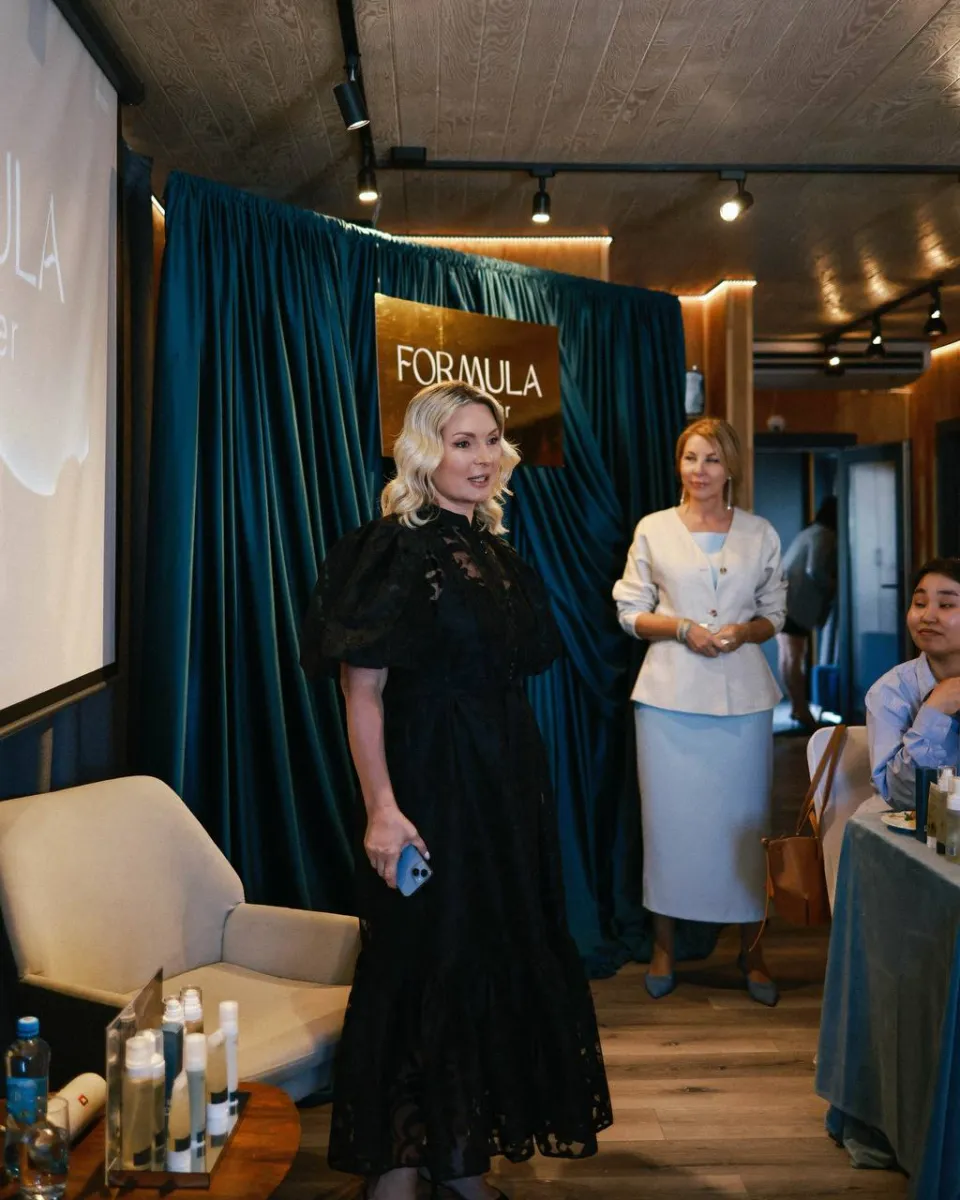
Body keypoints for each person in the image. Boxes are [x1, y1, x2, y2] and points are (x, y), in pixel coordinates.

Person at [300, 381, 612, 1200]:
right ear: (422, 452)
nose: (481, 458)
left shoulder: (496, 551)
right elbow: (361, 692)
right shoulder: (391, 548)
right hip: (427, 784)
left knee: (484, 959)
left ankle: (458, 1161)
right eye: (461, 442)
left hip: (503, 787)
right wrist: (382, 809)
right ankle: (399, 1170)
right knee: (420, 964)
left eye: (490, 440)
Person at [612, 418, 787, 1006]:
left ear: (730, 466)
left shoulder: (760, 532)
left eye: (712, 459)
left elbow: (774, 613)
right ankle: (664, 947)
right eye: (691, 457)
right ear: (678, 464)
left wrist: (744, 631)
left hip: (744, 700)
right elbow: (629, 611)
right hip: (668, 700)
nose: (700, 470)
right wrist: (682, 628)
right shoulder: (653, 529)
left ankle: (752, 951)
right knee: (668, 826)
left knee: (747, 826)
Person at [866, 557, 960, 811]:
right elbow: (900, 798)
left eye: (946, 605)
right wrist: (934, 712)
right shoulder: (889, 692)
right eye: (919, 603)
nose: (927, 616)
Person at [777, 497, 838, 731]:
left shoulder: (809, 533)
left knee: (788, 656)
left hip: (782, 599)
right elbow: (815, 570)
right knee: (795, 657)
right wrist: (834, 585)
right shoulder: (824, 535)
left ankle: (797, 706)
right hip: (796, 603)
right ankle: (801, 709)